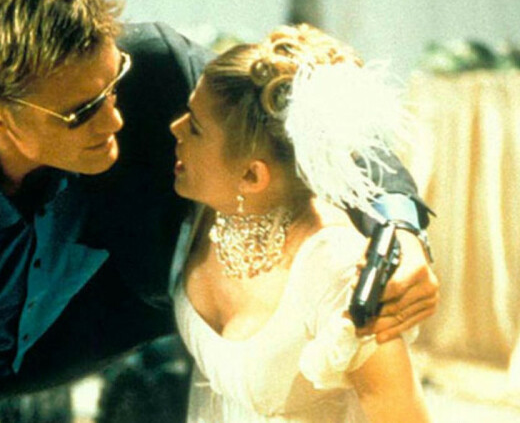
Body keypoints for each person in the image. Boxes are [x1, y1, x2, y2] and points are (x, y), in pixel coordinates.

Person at [0, 0, 436, 421]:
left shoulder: (155, 74)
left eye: (113, 84)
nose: (116, 119)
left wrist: (398, 228)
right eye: (82, 111)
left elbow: (311, 113)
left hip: (94, 340)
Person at [170, 24, 431, 422]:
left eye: (194, 127)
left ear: (251, 176)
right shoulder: (208, 209)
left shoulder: (337, 269)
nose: (174, 129)